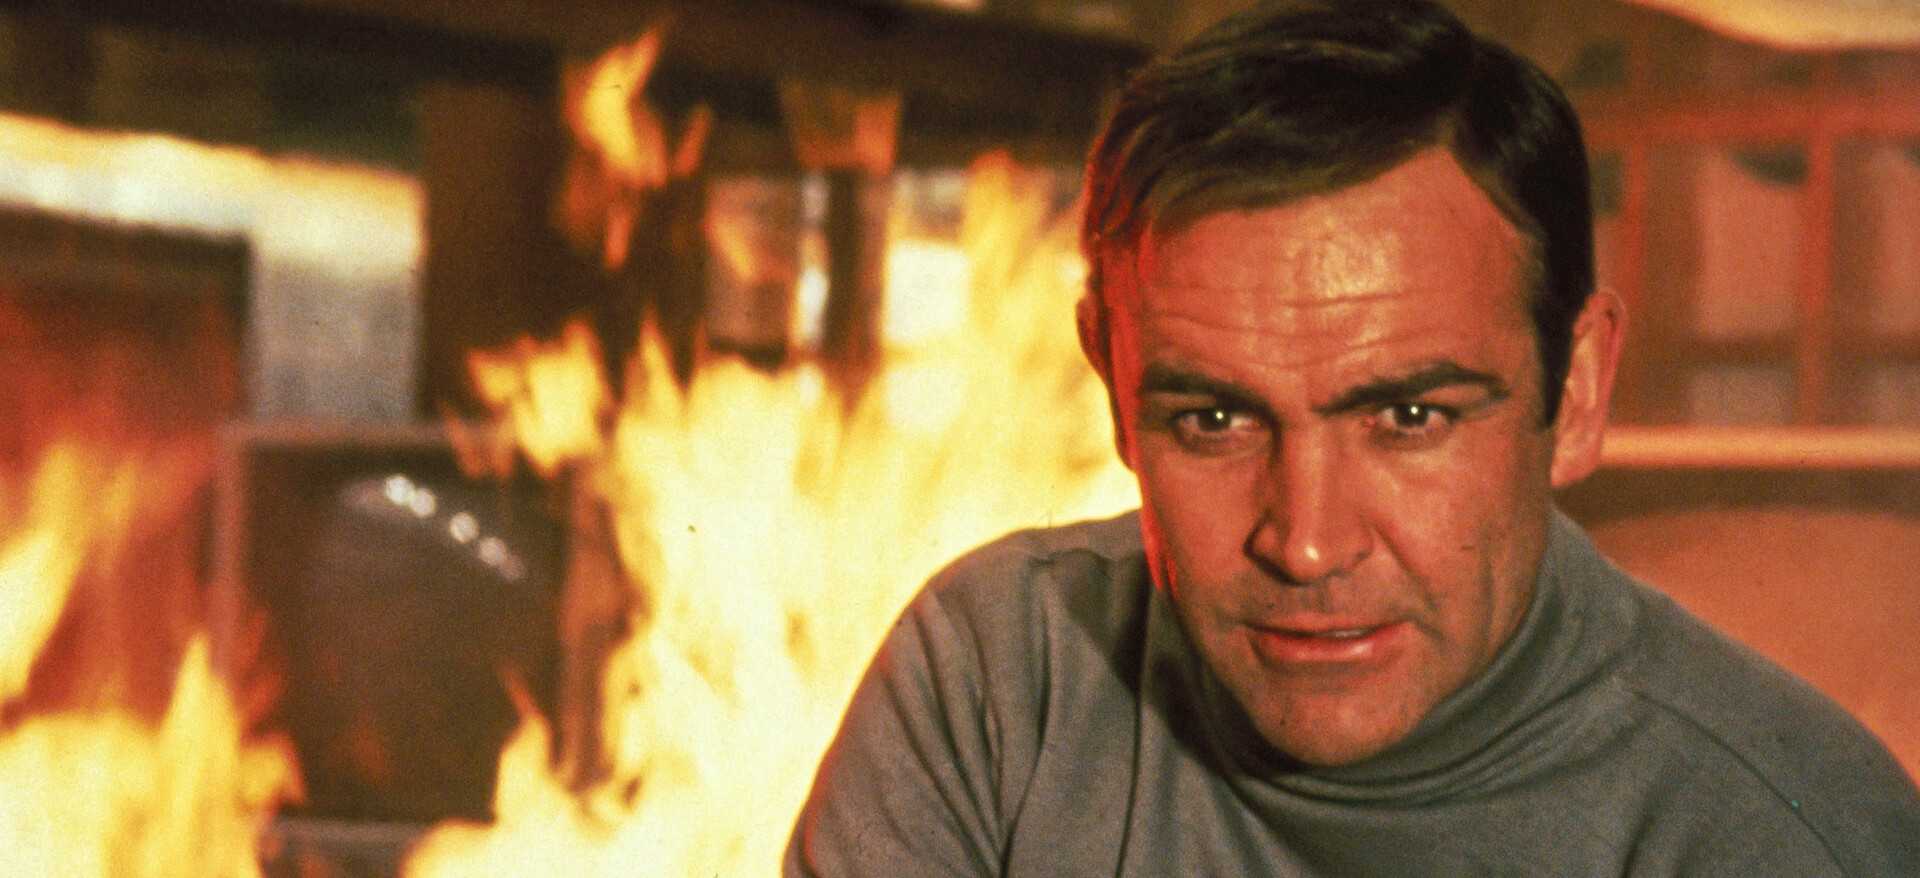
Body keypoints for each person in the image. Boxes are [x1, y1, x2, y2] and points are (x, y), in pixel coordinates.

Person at [784, 0, 1920, 874]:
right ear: (1113, 384)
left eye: (1409, 418)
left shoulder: (1782, 830)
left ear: (1576, 392)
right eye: (1215, 420)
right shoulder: (1001, 685)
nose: (1308, 544)